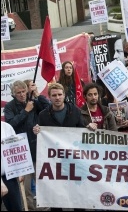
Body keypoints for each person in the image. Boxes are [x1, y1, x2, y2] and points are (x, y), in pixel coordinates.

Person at [33, 83, 85, 211]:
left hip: (74, 159)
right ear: (49, 97)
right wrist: (37, 131)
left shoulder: (76, 111)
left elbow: (82, 132)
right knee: (56, 195)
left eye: (60, 95)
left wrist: (90, 128)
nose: (57, 98)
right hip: (55, 161)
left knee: (77, 193)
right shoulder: (43, 115)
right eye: (54, 95)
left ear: (64, 95)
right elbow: (43, 137)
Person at [4, 80, 50, 210]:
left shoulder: (34, 102)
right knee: (27, 188)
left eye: (24, 91)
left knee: (42, 183)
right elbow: (11, 125)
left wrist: (37, 94)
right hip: (22, 153)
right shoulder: (10, 107)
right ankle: (29, 208)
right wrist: (25, 111)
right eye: (18, 93)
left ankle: (45, 208)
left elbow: (49, 109)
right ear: (13, 94)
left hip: (37, 148)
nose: (22, 94)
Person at [1, 121, 24, 211]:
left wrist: (20, 170)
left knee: (15, 207)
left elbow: (15, 149)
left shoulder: (6, 127)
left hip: (9, 175)